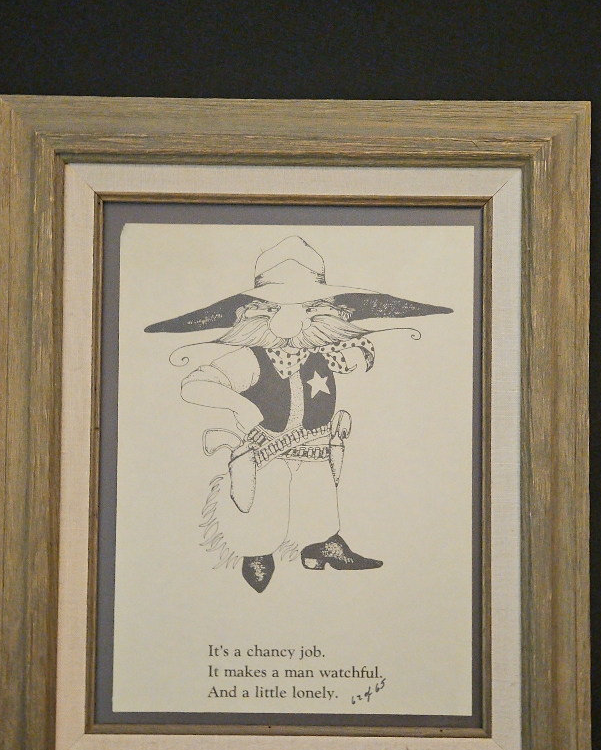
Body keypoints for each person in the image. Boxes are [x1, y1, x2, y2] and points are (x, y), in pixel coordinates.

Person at [146, 235, 452, 591]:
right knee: (265, 503)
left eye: (309, 308)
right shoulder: (248, 358)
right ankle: (257, 553)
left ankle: (320, 546)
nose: (295, 321)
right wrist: (240, 404)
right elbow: (195, 384)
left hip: (316, 448)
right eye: (280, 308)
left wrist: (356, 353)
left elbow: (355, 350)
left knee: (319, 498)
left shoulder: (326, 352)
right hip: (267, 451)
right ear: (254, 313)